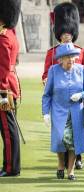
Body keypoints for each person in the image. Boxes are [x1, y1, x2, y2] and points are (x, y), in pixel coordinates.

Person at [43, 2, 84, 170]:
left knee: (76, 130)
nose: (67, 36)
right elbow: (46, 73)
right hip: (59, 98)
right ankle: (63, 160)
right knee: (60, 131)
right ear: (59, 35)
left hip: (77, 98)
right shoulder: (52, 54)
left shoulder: (80, 51)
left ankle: (77, 158)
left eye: (69, 33)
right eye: (64, 34)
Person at [42, 43, 84, 180]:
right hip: (58, 111)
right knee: (60, 140)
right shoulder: (53, 70)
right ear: (60, 59)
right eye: (67, 57)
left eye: (73, 56)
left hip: (76, 112)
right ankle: (60, 163)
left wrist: (80, 95)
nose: (71, 59)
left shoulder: (81, 69)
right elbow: (47, 94)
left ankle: (71, 171)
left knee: (74, 142)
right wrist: (45, 113)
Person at [0, 0, 21, 177]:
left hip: (3, 89)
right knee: (8, 127)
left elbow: (4, 68)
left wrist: (3, 90)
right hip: (9, 86)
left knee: (7, 129)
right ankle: (9, 164)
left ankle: (11, 168)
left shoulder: (4, 36)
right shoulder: (10, 33)